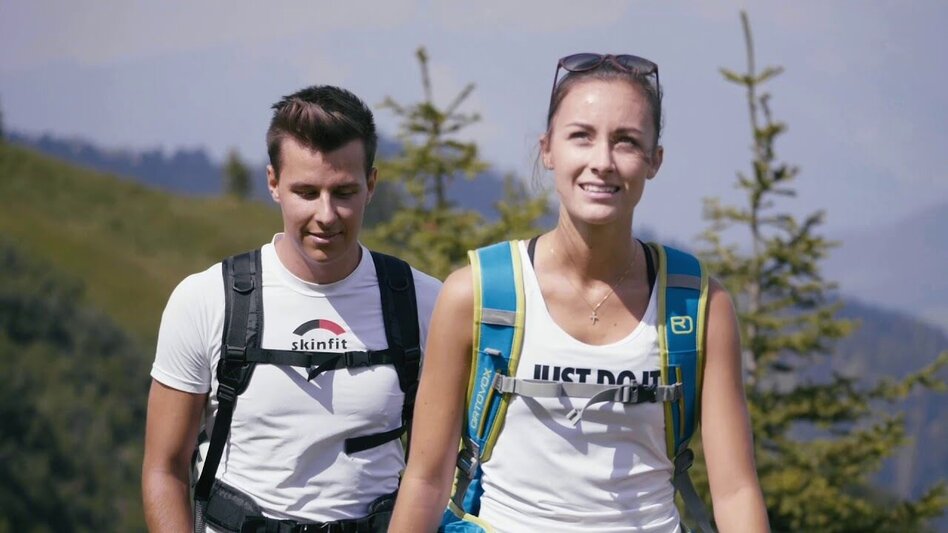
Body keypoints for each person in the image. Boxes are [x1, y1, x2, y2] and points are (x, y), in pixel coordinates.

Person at [389, 54, 769, 532]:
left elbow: (735, 491)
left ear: (654, 160)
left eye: (626, 141)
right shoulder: (476, 295)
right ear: (548, 149)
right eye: (581, 136)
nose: (602, 162)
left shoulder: (699, 306)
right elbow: (426, 481)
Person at [142, 85, 442, 532]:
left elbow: (438, 473)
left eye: (344, 192)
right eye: (306, 191)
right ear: (273, 183)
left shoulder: (425, 303)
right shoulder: (205, 300)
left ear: (371, 185)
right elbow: (164, 469)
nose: (327, 215)